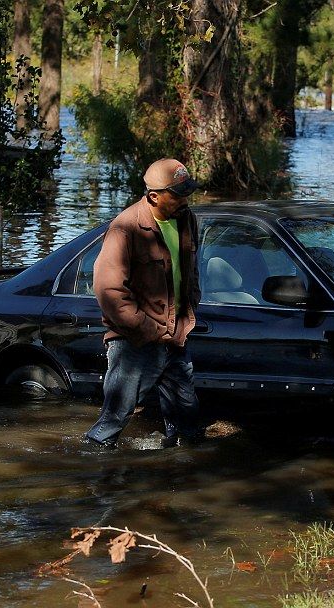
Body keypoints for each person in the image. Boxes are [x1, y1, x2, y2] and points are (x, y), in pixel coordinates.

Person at [83, 158, 203, 449]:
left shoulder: (187, 219)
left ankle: (182, 472)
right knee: (115, 417)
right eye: (178, 194)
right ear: (154, 196)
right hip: (134, 342)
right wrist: (147, 328)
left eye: (187, 191)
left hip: (175, 336)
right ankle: (94, 470)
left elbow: (190, 272)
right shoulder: (125, 228)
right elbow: (109, 290)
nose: (185, 199)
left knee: (188, 420)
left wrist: (188, 312)